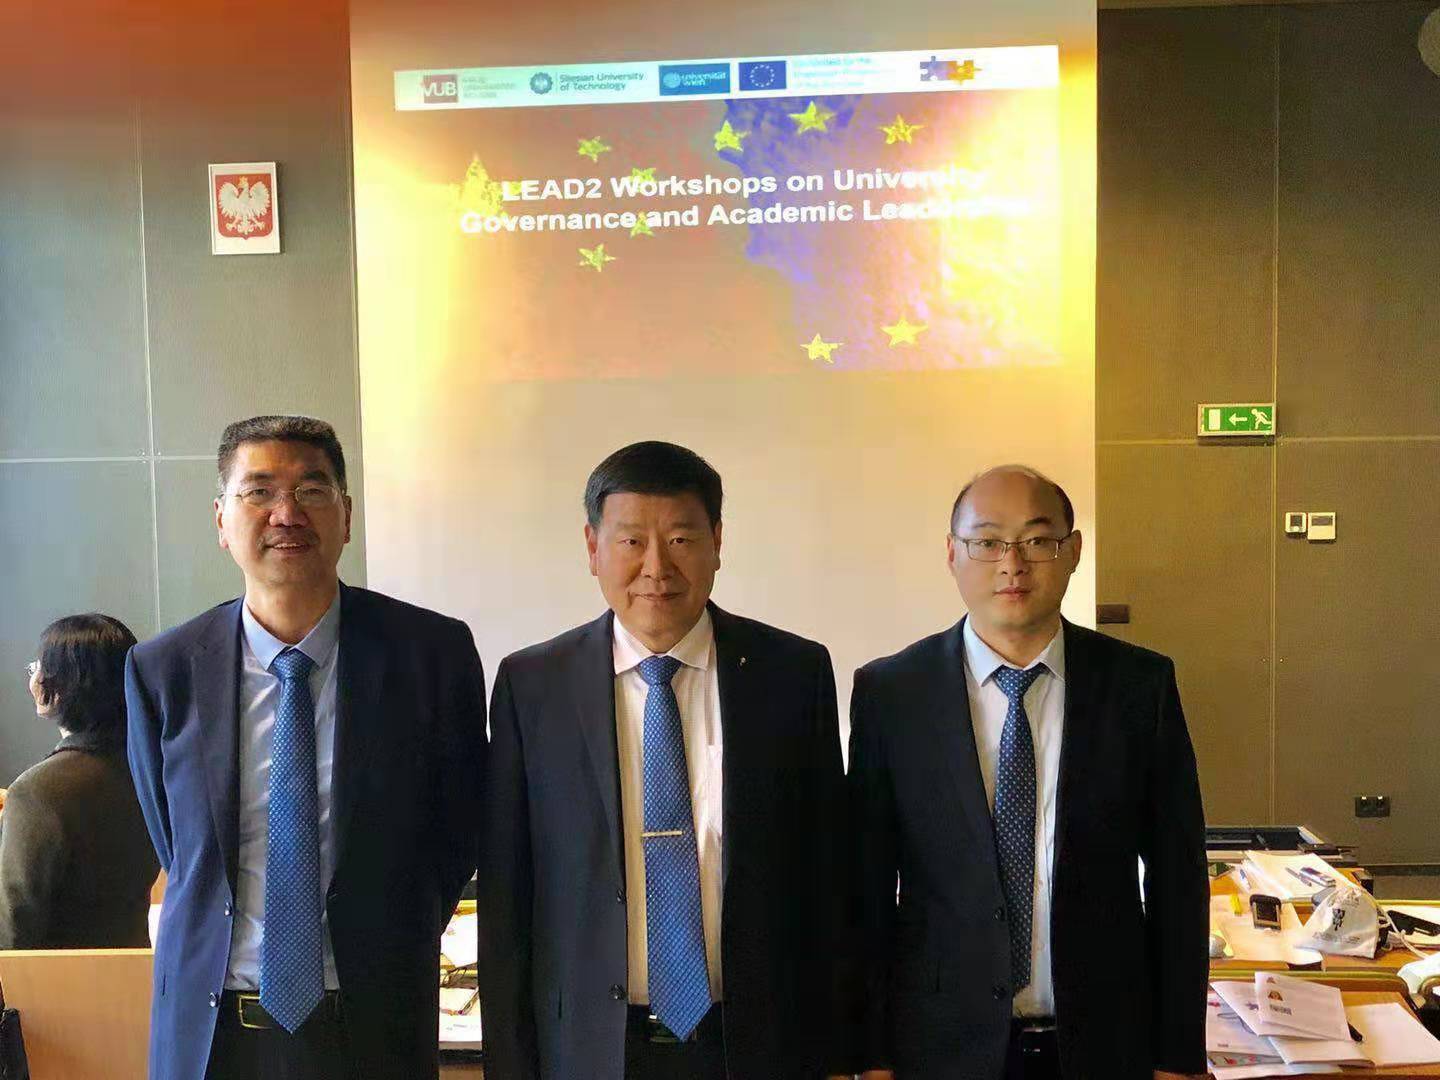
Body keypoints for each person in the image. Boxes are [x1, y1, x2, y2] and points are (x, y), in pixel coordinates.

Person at [125, 414, 486, 1080]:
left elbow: (455, 835)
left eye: (311, 491)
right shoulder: (164, 669)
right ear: (221, 520)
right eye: (259, 492)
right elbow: (176, 844)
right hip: (211, 1038)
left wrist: (389, 936)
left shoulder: (430, 656)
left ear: (346, 515)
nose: (286, 514)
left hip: (372, 1030)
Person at [478, 440, 851, 1080]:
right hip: (590, 1048)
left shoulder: (792, 674)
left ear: (717, 542)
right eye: (631, 541)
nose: (656, 567)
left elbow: (829, 874)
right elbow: (509, 897)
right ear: (592, 547)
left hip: (757, 1043)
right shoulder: (532, 685)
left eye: (680, 539)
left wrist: (839, 1051)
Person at [848, 465, 1208, 1080]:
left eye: (1038, 540)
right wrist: (869, 1054)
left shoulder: (1139, 686)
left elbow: (1178, 878)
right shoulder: (892, 693)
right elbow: (866, 886)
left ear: (1073, 551)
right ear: (952, 553)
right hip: (939, 1047)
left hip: (1104, 1043)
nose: (1012, 564)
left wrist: (1178, 1054)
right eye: (987, 542)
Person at [0, 614, 158, 948]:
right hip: (135, 969)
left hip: (56, 976)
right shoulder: (151, 772)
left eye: (38, 667)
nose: (33, 678)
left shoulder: (37, 792)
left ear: (60, 685)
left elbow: (12, 929)